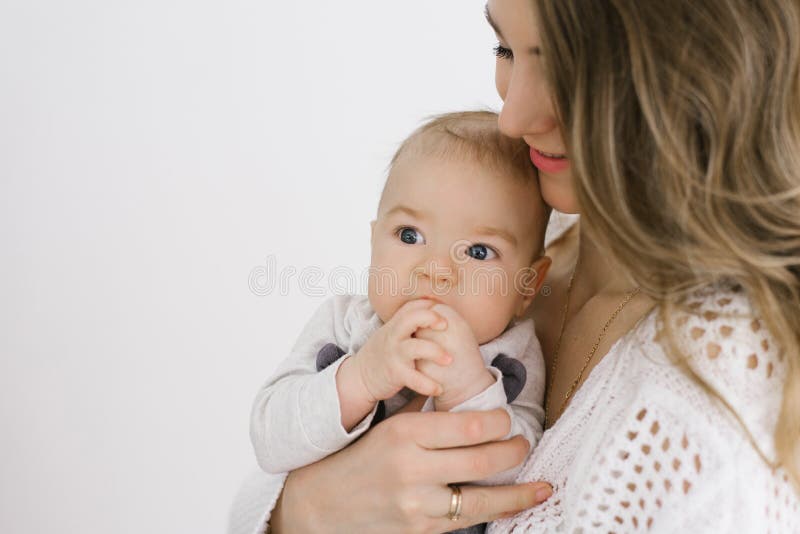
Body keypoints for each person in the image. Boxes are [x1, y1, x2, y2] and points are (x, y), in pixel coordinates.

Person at [229, 1, 800, 532]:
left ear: (705, 74)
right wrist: (308, 509)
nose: (513, 115)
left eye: (570, 68)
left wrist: (465, 389)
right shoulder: (501, 234)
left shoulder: (720, 387)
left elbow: (509, 466)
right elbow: (263, 469)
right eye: (504, 50)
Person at [249, 112, 550, 505]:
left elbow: (519, 473)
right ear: (374, 242)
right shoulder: (346, 323)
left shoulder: (515, 353)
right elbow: (269, 438)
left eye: (479, 252)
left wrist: (468, 392)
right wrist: (360, 378)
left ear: (529, 285)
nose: (436, 271)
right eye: (410, 235)